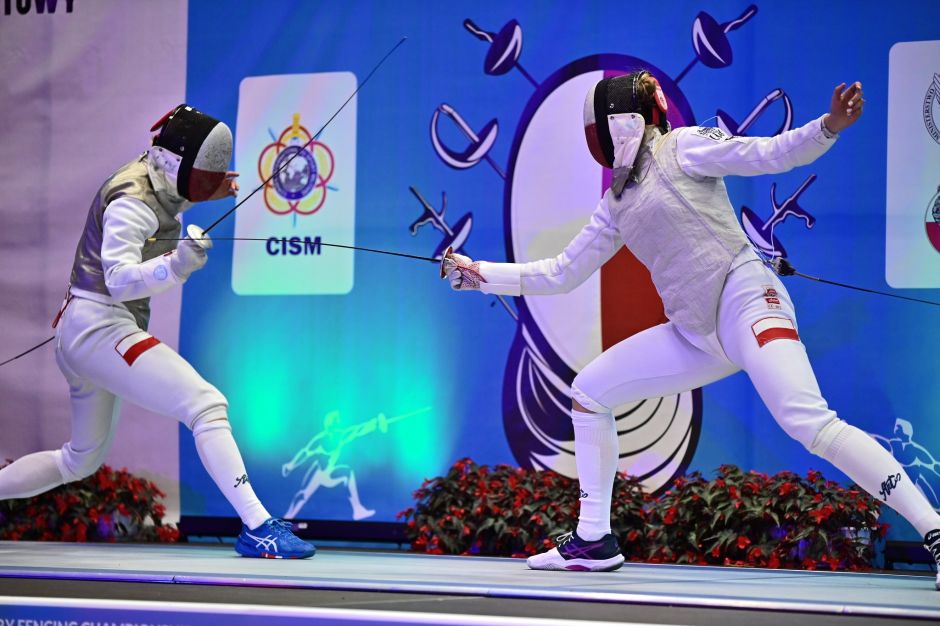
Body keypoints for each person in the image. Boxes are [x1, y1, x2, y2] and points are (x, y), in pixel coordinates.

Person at [442, 72, 940, 587]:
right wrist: (478, 274)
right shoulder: (616, 204)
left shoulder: (683, 146)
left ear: (621, 124)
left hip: (747, 302)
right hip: (694, 332)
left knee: (810, 424)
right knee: (589, 392)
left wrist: (828, 125)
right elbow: (560, 273)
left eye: (598, 130)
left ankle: (934, 529)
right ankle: (593, 539)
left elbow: (768, 153)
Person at [0, 105, 315, 559]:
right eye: (201, 176)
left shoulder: (155, 175)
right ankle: (258, 527)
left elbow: (170, 195)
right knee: (206, 405)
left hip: (85, 329)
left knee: (79, 459)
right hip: (98, 327)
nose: (204, 183)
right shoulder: (130, 203)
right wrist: (177, 265)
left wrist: (203, 191)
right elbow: (118, 279)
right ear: (175, 163)